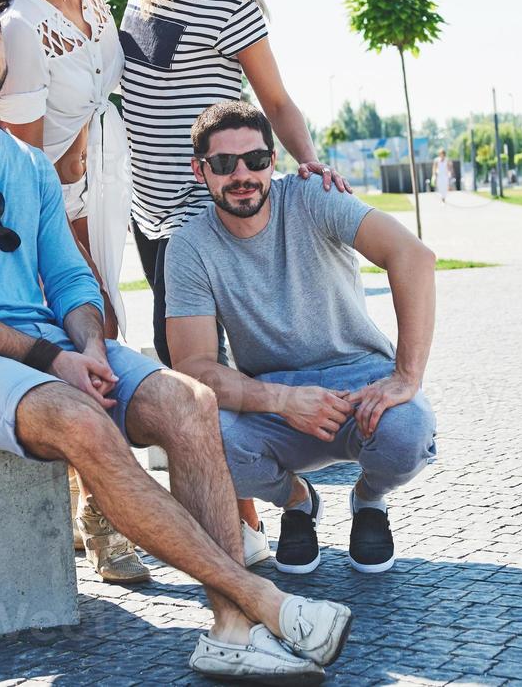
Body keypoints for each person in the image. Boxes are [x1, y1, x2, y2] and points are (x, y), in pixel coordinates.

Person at [0, 0, 352, 683]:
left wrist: (87, 343)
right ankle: (261, 600)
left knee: (190, 402)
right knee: (78, 416)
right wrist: (54, 359)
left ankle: (231, 629)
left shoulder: (26, 165)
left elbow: (70, 279)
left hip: (55, 350)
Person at [117, 0, 347, 561]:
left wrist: (306, 161)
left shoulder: (230, 1)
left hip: (202, 204)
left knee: (197, 367)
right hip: (146, 204)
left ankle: (239, 525)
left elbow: (273, 99)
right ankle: (282, 499)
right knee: (176, 360)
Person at [167, 102, 438, 576]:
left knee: (408, 432)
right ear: (199, 171)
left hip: (361, 381)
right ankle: (297, 502)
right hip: (273, 399)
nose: (242, 175)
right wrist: (282, 399)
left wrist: (406, 376)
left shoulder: (314, 196)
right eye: (224, 165)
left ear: (274, 160)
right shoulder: (189, 246)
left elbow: (413, 256)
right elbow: (193, 368)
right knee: (201, 438)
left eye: (256, 160)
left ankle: (369, 501)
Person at [0, 0, 147, 584]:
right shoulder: (18, 26)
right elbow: (22, 163)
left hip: (109, 185)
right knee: (96, 340)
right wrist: (70, 228)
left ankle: (94, 500)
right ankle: (104, 517)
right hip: (57, 202)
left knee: (107, 337)